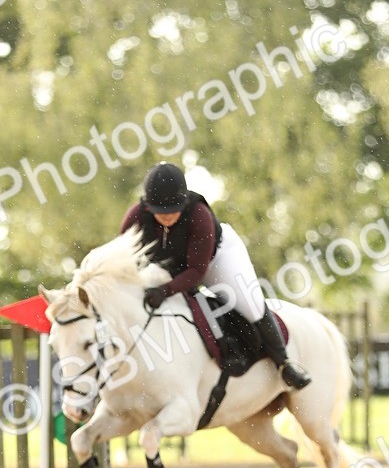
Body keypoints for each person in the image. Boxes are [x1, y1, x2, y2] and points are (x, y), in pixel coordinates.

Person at [119, 162, 311, 390]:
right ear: (148, 207)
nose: (168, 217)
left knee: (251, 304)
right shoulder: (136, 217)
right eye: (161, 212)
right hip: (170, 265)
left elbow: (196, 272)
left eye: (173, 210)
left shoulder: (199, 215)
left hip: (215, 260)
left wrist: (165, 290)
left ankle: (285, 363)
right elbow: (123, 260)